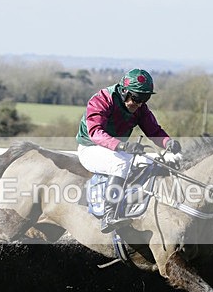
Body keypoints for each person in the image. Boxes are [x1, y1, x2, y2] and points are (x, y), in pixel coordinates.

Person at [76, 68, 181, 233]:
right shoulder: (102, 99)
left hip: (115, 150)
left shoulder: (140, 108)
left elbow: (154, 131)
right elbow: (95, 133)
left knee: (150, 163)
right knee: (120, 164)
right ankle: (109, 216)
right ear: (124, 92)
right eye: (137, 98)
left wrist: (168, 142)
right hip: (90, 147)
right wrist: (122, 146)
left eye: (145, 99)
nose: (140, 104)